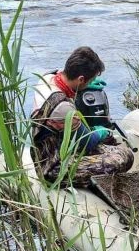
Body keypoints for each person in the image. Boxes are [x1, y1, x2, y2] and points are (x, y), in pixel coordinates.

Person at [30, 47, 133, 186]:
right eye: (90, 81)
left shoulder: (47, 78)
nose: (90, 84)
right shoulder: (64, 108)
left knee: (110, 144)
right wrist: (100, 131)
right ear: (81, 79)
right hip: (54, 167)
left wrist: (87, 86)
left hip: (56, 147)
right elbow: (88, 141)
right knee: (124, 157)